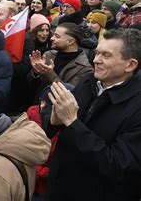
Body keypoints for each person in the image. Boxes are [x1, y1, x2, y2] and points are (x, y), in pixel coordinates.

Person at [45, 29, 141, 201]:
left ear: (130, 65)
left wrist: (72, 122)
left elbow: (119, 167)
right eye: (97, 53)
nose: (96, 60)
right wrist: (54, 121)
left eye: (106, 55)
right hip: (59, 188)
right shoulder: (88, 82)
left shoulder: (137, 107)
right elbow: (63, 128)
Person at [29, 22, 94, 98]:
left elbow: (70, 95)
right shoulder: (49, 54)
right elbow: (33, 87)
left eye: (57, 36)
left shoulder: (85, 69)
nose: (51, 38)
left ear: (70, 41)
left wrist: (50, 74)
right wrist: (36, 72)